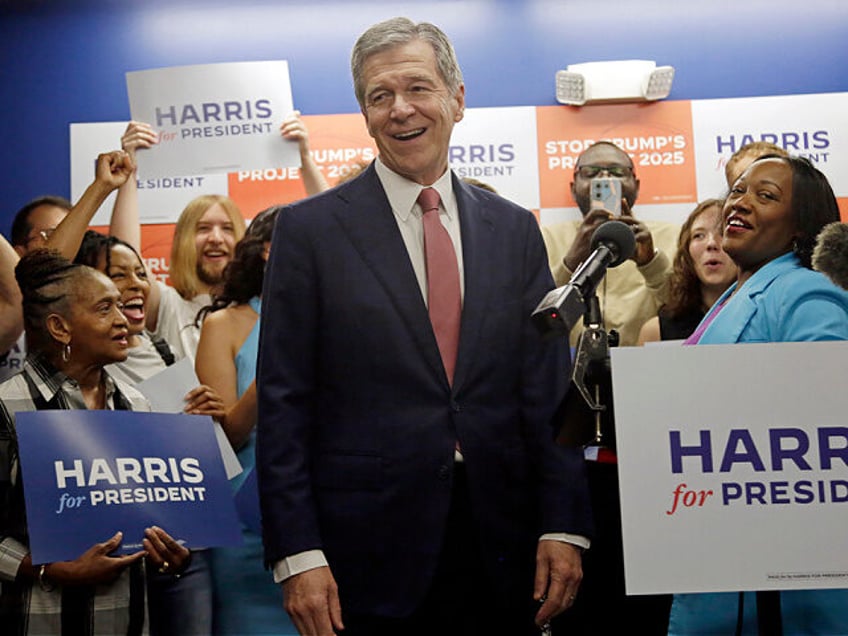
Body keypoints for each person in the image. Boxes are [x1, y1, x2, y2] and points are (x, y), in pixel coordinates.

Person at [256, 17, 592, 636]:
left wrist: (563, 523)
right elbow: (283, 404)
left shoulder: (514, 229)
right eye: (379, 96)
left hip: (504, 546)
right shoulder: (308, 233)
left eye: (417, 87)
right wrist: (297, 555)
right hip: (366, 557)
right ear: (363, 112)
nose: (400, 109)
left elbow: (546, 390)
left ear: (458, 99)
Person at [670, 154, 848, 635]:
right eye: (738, 191)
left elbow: (827, 419)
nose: (739, 203)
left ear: (799, 226)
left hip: (783, 588)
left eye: (764, 196)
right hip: (722, 549)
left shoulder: (805, 290)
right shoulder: (736, 294)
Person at [0, 249, 192, 635]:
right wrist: (49, 569)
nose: (124, 321)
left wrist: (169, 554)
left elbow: (147, 521)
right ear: (60, 327)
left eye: (121, 308)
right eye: (105, 309)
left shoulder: (138, 404)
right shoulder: (7, 406)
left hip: (129, 621)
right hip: (38, 620)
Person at [195, 206, 299, 635]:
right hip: (245, 515)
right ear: (269, 251)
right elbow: (225, 438)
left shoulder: (342, 316)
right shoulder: (223, 324)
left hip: (322, 512)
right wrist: (283, 350)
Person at [540, 141, 680, 347]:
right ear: (573, 188)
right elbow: (537, 318)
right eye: (591, 172)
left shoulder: (672, 236)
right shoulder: (547, 238)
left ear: (637, 185)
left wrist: (650, 262)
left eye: (617, 171)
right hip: (569, 370)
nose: (605, 178)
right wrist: (570, 263)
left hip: (647, 365)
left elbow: (685, 314)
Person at [638, 199, 737, 344]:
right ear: (687, 252)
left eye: (723, 233)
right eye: (699, 235)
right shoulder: (656, 332)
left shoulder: (767, 320)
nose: (711, 244)